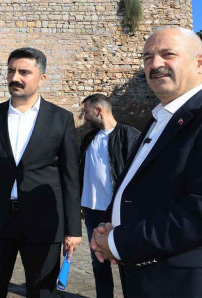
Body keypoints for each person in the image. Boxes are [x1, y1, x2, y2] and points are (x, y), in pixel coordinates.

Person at [90, 27, 202, 297]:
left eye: (167, 54)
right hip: (147, 279)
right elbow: (136, 187)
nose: (155, 64)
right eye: (147, 57)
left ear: (200, 62)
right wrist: (107, 224)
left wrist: (118, 241)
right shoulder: (158, 121)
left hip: (193, 284)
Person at [0, 47, 81, 297]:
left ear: (42, 78)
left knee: (42, 292)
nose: (15, 77)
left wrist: (73, 230)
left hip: (44, 220)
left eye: (24, 72)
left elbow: (70, 177)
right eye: (11, 71)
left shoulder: (61, 119)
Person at [79, 94, 140, 298]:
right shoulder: (89, 139)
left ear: (99, 111)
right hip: (92, 211)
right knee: (98, 262)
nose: (84, 117)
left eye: (86, 112)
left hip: (119, 212)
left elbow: (139, 174)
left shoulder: (129, 135)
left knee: (126, 259)